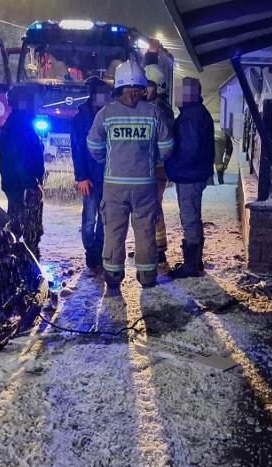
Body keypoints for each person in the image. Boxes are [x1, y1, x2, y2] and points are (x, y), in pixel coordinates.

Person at [87, 61, 174, 293]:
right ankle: (147, 276)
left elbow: (93, 145)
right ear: (143, 85)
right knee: (145, 231)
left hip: (113, 186)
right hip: (145, 185)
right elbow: (167, 146)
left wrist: (108, 161)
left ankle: (113, 278)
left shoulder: (106, 113)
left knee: (114, 231)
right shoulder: (154, 112)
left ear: (119, 85)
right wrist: (153, 160)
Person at [165, 77, 214, 279]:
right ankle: (194, 261)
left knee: (190, 219)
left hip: (189, 175)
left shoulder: (190, 117)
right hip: (195, 173)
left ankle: (191, 267)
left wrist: (172, 165)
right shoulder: (197, 113)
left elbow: (189, 150)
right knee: (193, 217)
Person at [0, 85, 45, 259]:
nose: (35, 104)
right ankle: (28, 265)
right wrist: (31, 185)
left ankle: (19, 262)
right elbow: (18, 159)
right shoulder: (19, 126)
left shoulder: (16, 123)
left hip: (17, 184)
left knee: (18, 224)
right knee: (29, 228)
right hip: (23, 185)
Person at [71, 76, 112, 269]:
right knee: (89, 218)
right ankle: (90, 252)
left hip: (109, 177)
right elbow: (77, 149)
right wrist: (82, 177)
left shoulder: (111, 115)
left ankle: (100, 250)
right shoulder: (81, 119)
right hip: (90, 177)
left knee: (105, 218)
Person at [144, 64, 175, 266]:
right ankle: (149, 246)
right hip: (149, 168)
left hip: (157, 168)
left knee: (153, 207)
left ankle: (159, 249)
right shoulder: (151, 107)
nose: (144, 89)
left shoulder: (161, 110)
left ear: (159, 86)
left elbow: (164, 142)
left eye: (149, 85)